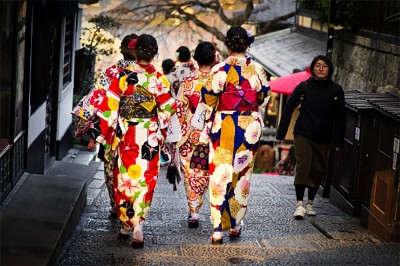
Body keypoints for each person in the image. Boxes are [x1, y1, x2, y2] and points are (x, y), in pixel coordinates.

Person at [88, 33, 177, 249]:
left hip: (126, 134)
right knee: (146, 179)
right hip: (149, 136)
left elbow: (109, 108)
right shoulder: (159, 80)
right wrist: (163, 130)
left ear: (134, 52)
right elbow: (168, 108)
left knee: (124, 178)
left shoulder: (122, 76)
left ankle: (126, 225)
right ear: (155, 54)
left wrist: (96, 135)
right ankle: (139, 224)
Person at [200, 25, 270, 244]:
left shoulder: (219, 69)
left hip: (225, 124)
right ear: (247, 44)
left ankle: (218, 228)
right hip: (250, 125)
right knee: (242, 174)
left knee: (220, 172)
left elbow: (208, 100)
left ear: (228, 44)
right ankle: (236, 223)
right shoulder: (257, 69)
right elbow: (264, 97)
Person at [71, 33, 138, 218]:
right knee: (131, 166)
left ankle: (114, 204)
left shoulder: (111, 72)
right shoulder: (144, 74)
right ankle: (128, 203)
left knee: (111, 167)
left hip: (110, 128)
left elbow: (96, 99)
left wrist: (90, 130)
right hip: (136, 129)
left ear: (122, 51)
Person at [276, 55, 346, 220]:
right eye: (318, 65)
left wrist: (338, 140)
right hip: (303, 133)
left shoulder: (336, 90)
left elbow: (340, 117)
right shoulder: (303, 87)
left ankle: (310, 203)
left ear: (330, 69)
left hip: (324, 136)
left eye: (324, 66)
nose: (321, 69)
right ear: (313, 69)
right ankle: (299, 204)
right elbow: (288, 109)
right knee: (303, 165)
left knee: (317, 169)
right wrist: (281, 133)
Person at [175, 41, 216, 228]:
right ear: (214, 58)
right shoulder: (219, 81)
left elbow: (179, 109)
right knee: (206, 171)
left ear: (196, 59)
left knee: (191, 172)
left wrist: (180, 130)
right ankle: (204, 207)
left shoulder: (188, 82)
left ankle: (194, 211)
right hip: (213, 132)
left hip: (191, 133)